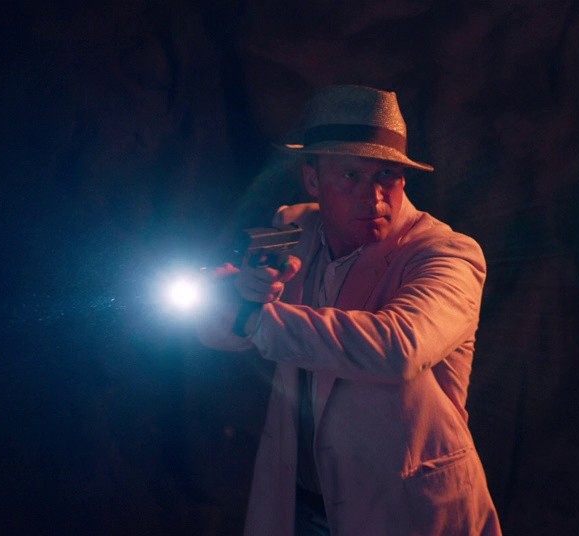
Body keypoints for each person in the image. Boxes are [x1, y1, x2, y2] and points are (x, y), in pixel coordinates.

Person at [198, 85, 501, 535]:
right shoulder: (295, 229)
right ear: (312, 179)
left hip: (404, 509)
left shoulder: (446, 253)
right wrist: (235, 296)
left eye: (387, 174)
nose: (373, 196)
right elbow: (220, 336)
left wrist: (256, 316)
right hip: (300, 501)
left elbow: (399, 349)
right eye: (350, 175)